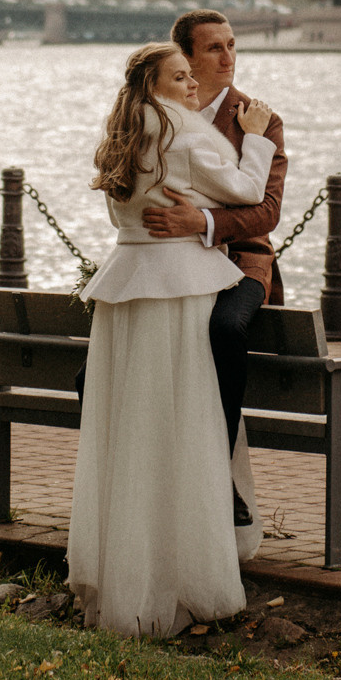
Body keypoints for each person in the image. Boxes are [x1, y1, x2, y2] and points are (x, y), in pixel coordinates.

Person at [68, 41, 279, 636]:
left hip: (129, 288)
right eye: (180, 75)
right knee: (181, 423)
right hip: (179, 287)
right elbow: (246, 192)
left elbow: (129, 218)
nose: (191, 84)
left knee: (133, 427)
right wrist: (256, 138)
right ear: (155, 85)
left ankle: (125, 570)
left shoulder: (124, 140)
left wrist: (193, 214)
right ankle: (183, 571)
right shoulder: (183, 136)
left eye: (193, 75)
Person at [141, 9, 288, 514]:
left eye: (231, 45)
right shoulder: (155, 110)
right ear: (184, 58)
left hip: (242, 262)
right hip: (170, 262)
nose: (228, 58)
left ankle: (218, 480)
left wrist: (200, 222)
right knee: (91, 371)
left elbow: (264, 212)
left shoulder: (259, 119)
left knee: (224, 331)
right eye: (213, 49)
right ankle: (141, 480)